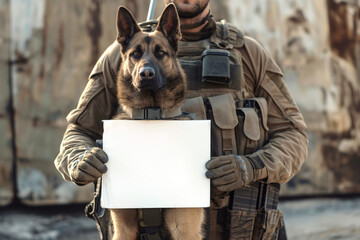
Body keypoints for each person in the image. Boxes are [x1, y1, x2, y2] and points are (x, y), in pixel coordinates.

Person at [54, 0, 308, 239]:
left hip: (238, 230)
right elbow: (77, 133)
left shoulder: (248, 54)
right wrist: (79, 159)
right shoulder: (124, 56)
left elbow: (293, 134)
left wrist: (251, 167)